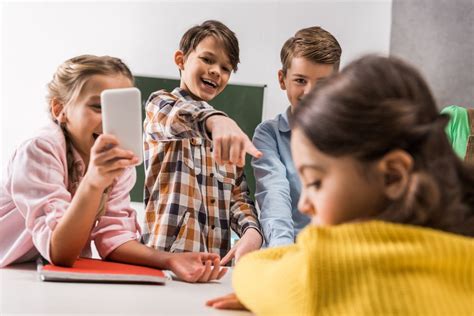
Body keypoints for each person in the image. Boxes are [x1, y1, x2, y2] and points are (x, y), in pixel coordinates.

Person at [207, 55, 474, 314]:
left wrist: (270, 293)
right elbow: (274, 196)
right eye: (301, 80)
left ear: (393, 176)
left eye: (315, 182)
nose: (304, 202)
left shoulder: (323, 276)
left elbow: (251, 272)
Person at [0, 55, 226, 283]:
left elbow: (114, 236)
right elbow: (60, 252)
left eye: (119, 108)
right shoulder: (40, 149)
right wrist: (93, 182)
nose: (109, 119)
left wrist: (169, 260)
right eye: (98, 106)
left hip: (33, 273)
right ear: (60, 109)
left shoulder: (118, 162)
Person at [141, 20, 263, 265]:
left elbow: (238, 197)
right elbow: (178, 117)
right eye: (207, 60)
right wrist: (216, 121)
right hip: (165, 262)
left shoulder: (225, 135)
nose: (216, 71)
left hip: (213, 267)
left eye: (226, 68)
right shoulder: (161, 105)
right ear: (180, 60)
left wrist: (252, 232)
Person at [252, 26, 342, 247]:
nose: (309, 92)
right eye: (300, 80)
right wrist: (284, 252)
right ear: (282, 79)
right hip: (288, 251)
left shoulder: (350, 134)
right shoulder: (269, 135)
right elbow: (274, 196)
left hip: (338, 253)